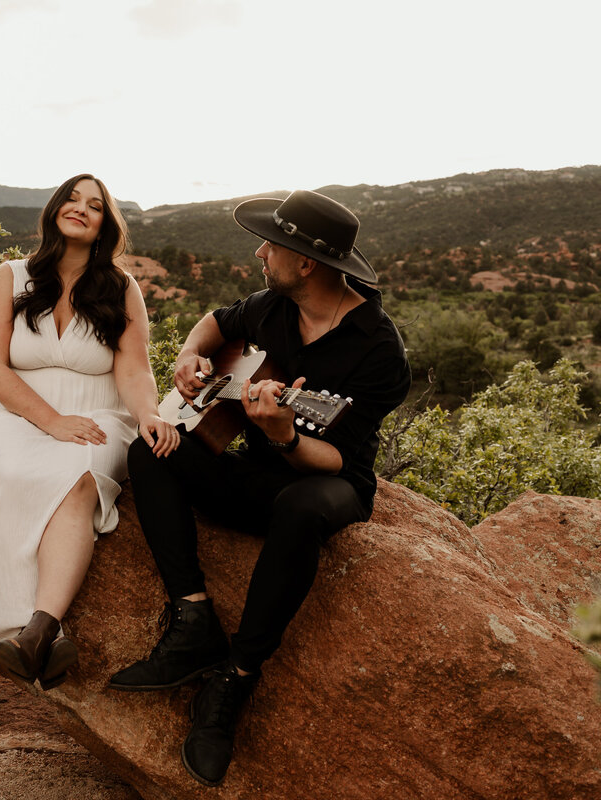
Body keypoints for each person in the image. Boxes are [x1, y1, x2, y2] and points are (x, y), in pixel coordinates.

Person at [108, 190, 411, 786]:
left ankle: (237, 675)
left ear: (307, 264)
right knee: (152, 448)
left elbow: (334, 460)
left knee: (302, 507)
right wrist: (191, 355)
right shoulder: (273, 305)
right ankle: (193, 620)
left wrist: (282, 433)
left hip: (324, 482)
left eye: (272, 245)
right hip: (249, 475)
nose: (259, 253)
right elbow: (218, 323)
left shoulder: (378, 350)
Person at [0, 173, 180, 690]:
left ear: (104, 226)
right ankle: (39, 635)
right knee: (18, 473)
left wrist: (147, 415)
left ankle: (37, 632)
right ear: (54, 209)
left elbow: (135, 370)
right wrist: (50, 421)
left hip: (100, 416)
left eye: (95, 205)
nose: (81, 208)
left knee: (80, 477)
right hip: (16, 416)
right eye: (72, 198)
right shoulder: (11, 275)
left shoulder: (121, 287)